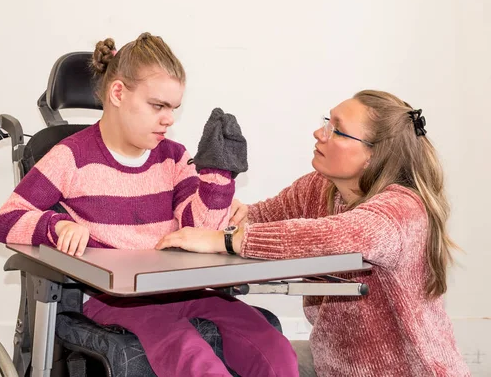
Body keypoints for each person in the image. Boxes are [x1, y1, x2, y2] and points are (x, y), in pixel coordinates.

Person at [0, 32, 298, 377]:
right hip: (114, 299)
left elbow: (200, 231)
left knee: (272, 347)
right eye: (158, 106)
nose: (169, 119)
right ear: (118, 92)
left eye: (174, 109)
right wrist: (56, 225)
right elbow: (6, 220)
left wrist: (217, 180)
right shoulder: (70, 157)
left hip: (181, 289)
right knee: (195, 360)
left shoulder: (173, 158)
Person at [157, 90, 471, 376]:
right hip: (332, 367)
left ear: (373, 155)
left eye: (336, 129)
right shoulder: (321, 188)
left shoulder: (402, 209)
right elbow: (262, 218)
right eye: (326, 122)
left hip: (411, 372)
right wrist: (233, 214)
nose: (319, 133)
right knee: (240, 359)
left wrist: (228, 240)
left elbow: (336, 237)